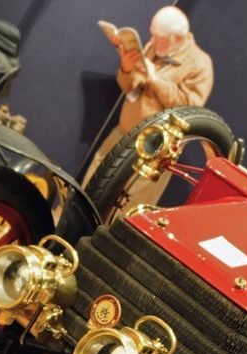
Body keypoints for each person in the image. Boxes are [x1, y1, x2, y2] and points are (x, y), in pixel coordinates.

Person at [83, 6, 214, 206]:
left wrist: (155, 79)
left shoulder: (200, 64)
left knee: (123, 206)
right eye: (151, 35)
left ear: (177, 38)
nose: (152, 41)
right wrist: (126, 68)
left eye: (158, 36)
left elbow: (189, 110)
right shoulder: (155, 47)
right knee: (90, 188)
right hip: (123, 134)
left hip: (152, 151)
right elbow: (130, 88)